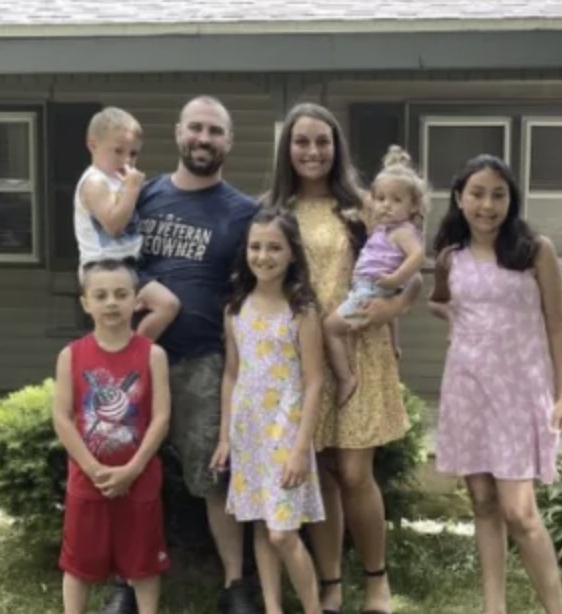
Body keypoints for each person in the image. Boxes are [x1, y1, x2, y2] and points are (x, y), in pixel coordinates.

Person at [97, 96, 260, 614]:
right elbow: (107, 260)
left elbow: (253, 290)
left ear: (228, 143)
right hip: (132, 362)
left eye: (215, 131)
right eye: (196, 128)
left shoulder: (243, 212)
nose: (204, 139)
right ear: (178, 133)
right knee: (127, 468)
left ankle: (236, 584)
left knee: (213, 473)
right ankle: (126, 579)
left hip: (202, 360)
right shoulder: (141, 195)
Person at [264, 102, 421, 614]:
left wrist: (391, 310)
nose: (313, 151)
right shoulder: (273, 210)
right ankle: (330, 582)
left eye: (323, 141)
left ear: (337, 148)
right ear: (287, 149)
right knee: (322, 473)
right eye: (302, 141)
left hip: (359, 348)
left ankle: (376, 579)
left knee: (354, 473)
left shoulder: (364, 207)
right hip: (300, 357)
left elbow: (410, 272)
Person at [428, 154, 562, 614]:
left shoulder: (535, 251)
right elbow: (439, 302)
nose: (487, 205)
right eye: (477, 193)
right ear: (458, 198)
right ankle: (494, 608)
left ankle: (557, 610)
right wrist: (457, 320)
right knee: (484, 502)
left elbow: (559, 328)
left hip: (520, 392)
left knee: (521, 512)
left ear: (511, 200)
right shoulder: (450, 258)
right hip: (467, 389)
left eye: (498, 194)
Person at [211, 208, 326, 614]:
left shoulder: (302, 310)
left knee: (282, 533)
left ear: (292, 253)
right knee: (261, 523)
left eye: (274, 247)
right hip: (249, 430)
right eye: (256, 247)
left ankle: (313, 608)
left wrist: (299, 447)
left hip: (285, 430)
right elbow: (230, 374)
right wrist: (225, 436)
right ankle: (272, 607)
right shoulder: (235, 309)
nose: (264, 256)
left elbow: (314, 381)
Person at [52, 258, 172, 614]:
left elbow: (161, 417)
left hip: (141, 479)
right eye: (100, 295)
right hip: (87, 481)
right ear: (85, 302)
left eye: (121, 294)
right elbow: (61, 418)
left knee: (145, 562)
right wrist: (92, 469)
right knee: (78, 565)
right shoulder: (70, 355)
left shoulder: (153, 355)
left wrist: (132, 470)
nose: (110, 303)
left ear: (136, 301)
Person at [322, 145, 427, 407]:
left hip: (371, 291)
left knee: (330, 329)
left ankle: (345, 378)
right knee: (389, 319)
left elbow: (418, 256)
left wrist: (395, 279)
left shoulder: (403, 231)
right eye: (381, 199)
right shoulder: (384, 228)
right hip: (371, 288)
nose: (386, 206)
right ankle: (393, 348)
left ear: (414, 205)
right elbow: (365, 201)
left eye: (396, 200)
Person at [75, 106, 181, 341]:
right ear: (93, 145)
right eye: (118, 151)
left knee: (150, 310)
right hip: (104, 268)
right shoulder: (95, 183)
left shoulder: (115, 180)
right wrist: (132, 189)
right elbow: (114, 226)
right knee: (167, 305)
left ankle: (129, 349)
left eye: (133, 154)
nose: (126, 160)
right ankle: (136, 353)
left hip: (128, 265)